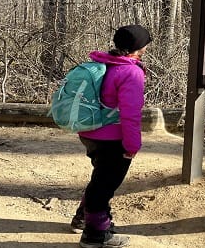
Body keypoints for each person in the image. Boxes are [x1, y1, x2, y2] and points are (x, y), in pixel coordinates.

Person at [70, 24, 151, 248]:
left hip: (90, 132)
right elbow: (130, 114)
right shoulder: (131, 72)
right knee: (105, 185)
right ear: (139, 47)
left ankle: (83, 217)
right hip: (112, 139)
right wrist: (132, 145)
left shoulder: (103, 64)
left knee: (100, 179)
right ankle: (96, 234)